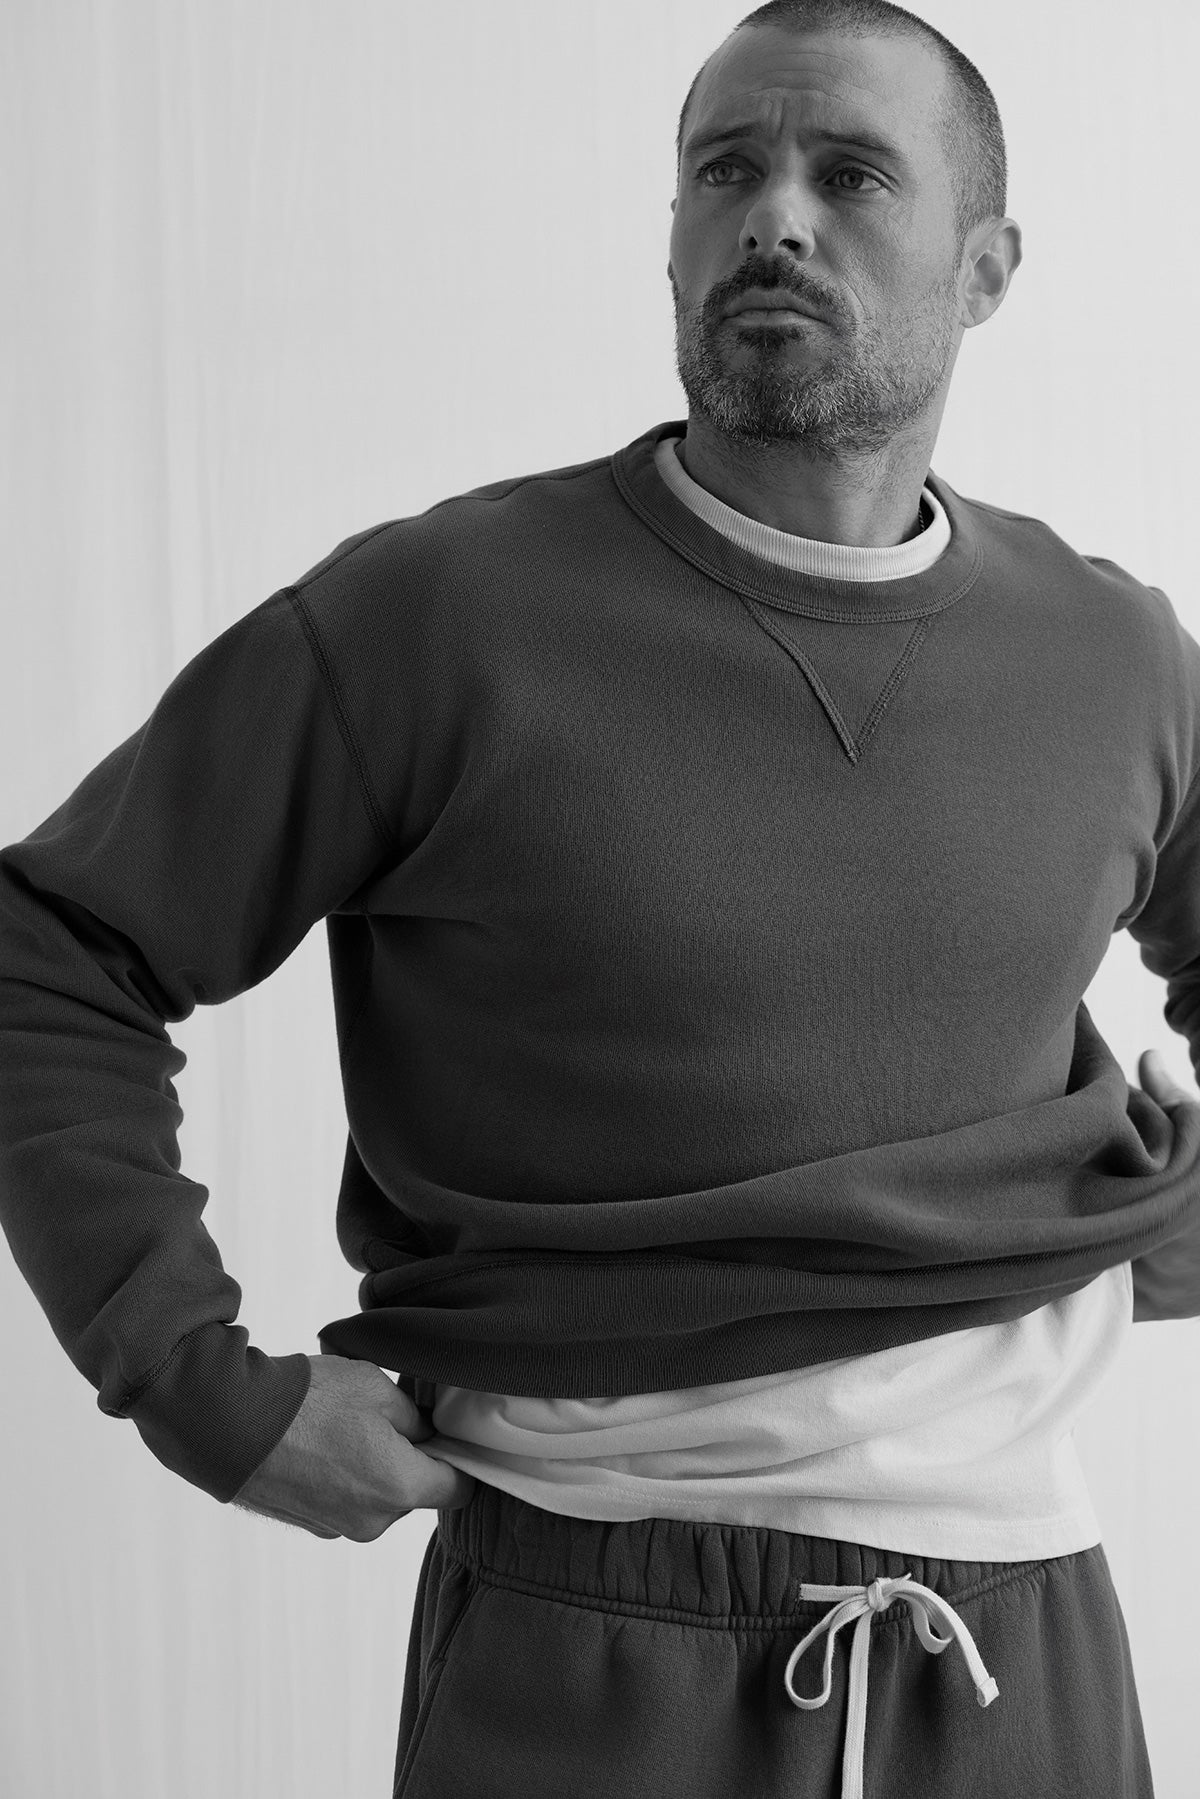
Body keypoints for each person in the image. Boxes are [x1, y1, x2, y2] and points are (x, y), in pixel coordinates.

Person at [2, 1, 1197, 1793]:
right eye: (726, 170)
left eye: (851, 175)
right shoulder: (436, 620)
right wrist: (195, 1383)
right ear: (671, 236)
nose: (773, 217)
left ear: (988, 266)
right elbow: (55, 943)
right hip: (586, 1639)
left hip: (1021, 1654)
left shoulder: (1116, 658)